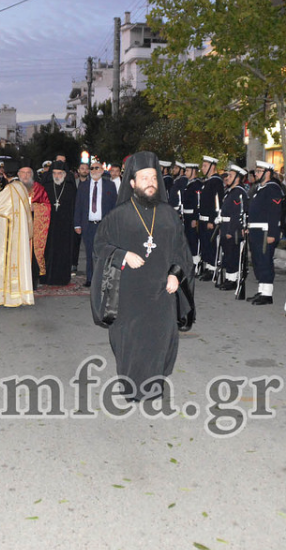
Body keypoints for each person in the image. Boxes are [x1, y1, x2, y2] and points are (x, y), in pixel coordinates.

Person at [91, 151, 193, 402]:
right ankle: (131, 388)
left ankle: (153, 387)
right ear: (132, 182)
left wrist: (175, 274)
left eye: (154, 178)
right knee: (130, 342)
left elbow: (182, 251)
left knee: (160, 340)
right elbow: (100, 246)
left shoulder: (169, 215)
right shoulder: (118, 216)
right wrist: (122, 255)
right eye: (144, 178)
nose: (150, 182)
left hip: (161, 292)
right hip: (129, 294)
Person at [0, 177, 34, 307]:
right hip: (20, 232)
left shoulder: (10, 189)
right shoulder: (22, 188)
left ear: (5, 176)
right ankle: (23, 294)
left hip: (8, 232)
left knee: (4, 261)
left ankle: (5, 295)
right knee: (20, 262)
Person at [245, 161, 284, 305]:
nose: (256, 174)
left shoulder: (273, 189)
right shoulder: (260, 189)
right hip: (256, 230)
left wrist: (273, 233)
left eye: (259, 171)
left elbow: (275, 212)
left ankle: (267, 293)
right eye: (256, 171)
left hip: (265, 231)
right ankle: (262, 290)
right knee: (257, 261)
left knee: (265, 261)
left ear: (268, 173)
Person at [74, 159, 117, 287]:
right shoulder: (84, 186)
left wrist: (113, 224)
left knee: (103, 252)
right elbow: (78, 205)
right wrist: (77, 224)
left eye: (96, 168)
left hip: (103, 225)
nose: (94, 171)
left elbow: (114, 206)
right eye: (91, 168)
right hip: (88, 224)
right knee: (89, 252)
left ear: (102, 171)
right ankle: (90, 278)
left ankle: (103, 278)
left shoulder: (110, 185)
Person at [43, 160, 77, 286]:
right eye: (54, 173)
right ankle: (46, 277)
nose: (57, 176)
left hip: (65, 225)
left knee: (63, 251)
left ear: (65, 174)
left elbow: (75, 207)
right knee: (48, 250)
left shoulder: (70, 188)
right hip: (49, 225)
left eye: (59, 173)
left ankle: (62, 278)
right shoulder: (46, 187)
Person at [216, 165, 248, 291]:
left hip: (232, 230)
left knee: (232, 255)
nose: (227, 177)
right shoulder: (231, 191)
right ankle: (229, 278)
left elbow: (237, 213)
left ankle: (233, 280)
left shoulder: (239, 192)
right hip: (226, 227)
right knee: (227, 254)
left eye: (230, 175)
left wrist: (231, 230)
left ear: (237, 178)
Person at [19, 166, 50, 286]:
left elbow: (47, 206)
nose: (25, 175)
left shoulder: (39, 188)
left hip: (34, 225)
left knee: (32, 253)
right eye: (23, 173)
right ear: (19, 174)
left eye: (28, 173)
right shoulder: (13, 188)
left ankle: (33, 280)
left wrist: (35, 207)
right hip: (18, 225)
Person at [197, 156, 224, 281]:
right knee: (205, 244)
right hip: (203, 219)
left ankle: (212, 269)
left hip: (210, 220)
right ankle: (207, 267)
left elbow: (217, 203)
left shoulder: (216, 182)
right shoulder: (207, 182)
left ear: (212, 167)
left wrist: (212, 220)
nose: (202, 168)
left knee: (211, 244)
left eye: (205, 166)